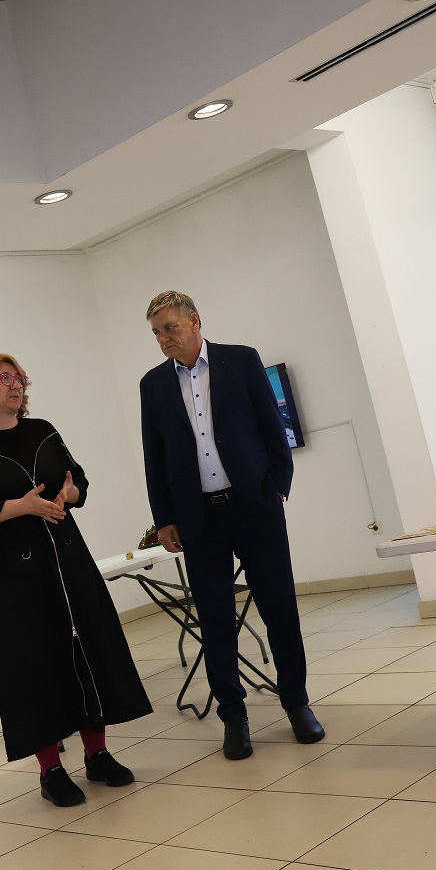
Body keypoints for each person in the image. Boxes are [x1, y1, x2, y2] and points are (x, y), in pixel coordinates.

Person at [0, 354, 152, 807]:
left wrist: (69, 493)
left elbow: (78, 481)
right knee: (35, 663)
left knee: (86, 650)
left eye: (20, 377)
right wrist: (21, 507)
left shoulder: (43, 430)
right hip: (17, 574)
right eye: (5, 378)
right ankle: (51, 770)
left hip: (68, 559)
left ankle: (98, 754)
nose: (16, 385)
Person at [138, 291, 322, 761]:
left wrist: (278, 487)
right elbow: (154, 457)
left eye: (170, 328)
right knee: (216, 621)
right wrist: (164, 519)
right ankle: (234, 717)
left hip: (255, 507)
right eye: (156, 332)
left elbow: (272, 426)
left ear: (194, 321)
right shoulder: (153, 385)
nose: (163, 339)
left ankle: (296, 703)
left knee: (279, 608)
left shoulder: (240, 361)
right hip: (198, 520)